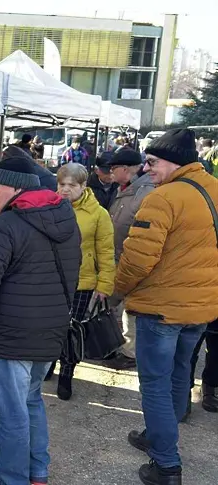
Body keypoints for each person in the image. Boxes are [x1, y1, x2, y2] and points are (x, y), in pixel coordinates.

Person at [0, 155, 81, 485]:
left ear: (15, 186)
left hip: (8, 336)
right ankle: (36, 472)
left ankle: (12, 478)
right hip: (48, 332)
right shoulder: (65, 217)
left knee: (9, 412)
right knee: (30, 401)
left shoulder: (6, 225)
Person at [116, 129, 218, 485]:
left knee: (156, 385)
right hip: (200, 309)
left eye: (153, 161)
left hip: (161, 310)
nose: (146, 168)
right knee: (178, 377)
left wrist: (116, 290)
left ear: (175, 162)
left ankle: (166, 464)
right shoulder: (215, 189)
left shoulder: (165, 197)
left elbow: (137, 260)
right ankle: (159, 437)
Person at [46, 163, 115, 400]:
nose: (65, 190)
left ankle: (66, 371)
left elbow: (106, 252)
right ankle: (48, 364)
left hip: (81, 282)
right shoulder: (48, 207)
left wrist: (105, 285)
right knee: (49, 326)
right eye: (61, 184)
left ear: (84, 186)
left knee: (71, 329)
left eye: (71, 185)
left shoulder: (98, 214)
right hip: (50, 279)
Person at [105, 149, 156, 370]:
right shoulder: (125, 189)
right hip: (119, 257)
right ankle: (121, 346)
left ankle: (130, 352)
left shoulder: (145, 193)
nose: (110, 172)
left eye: (113, 168)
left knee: (131, 307)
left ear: (125, 169)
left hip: (132, 260)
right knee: (120, 306)